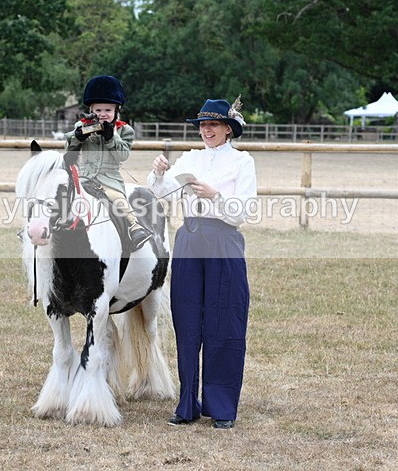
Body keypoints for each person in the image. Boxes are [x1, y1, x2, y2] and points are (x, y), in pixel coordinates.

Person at [147, 97, 257, 430]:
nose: (206, 130)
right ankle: (187, 404)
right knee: (188, 319)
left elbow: (247, 211)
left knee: (224, 321)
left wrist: (216, 197)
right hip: (190, 239)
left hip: (223, 239)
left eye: (212, 125)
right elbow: (162, 194)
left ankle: (221, 407)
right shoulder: (191, 159)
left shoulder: (241, 162)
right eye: (202, 125)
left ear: (228, 128)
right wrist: (158, 173)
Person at [64, 75, 152, 251]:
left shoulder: (125, 130)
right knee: (61, 196)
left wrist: (111, 137)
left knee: (119, 200)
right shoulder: (81, 125)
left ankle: (134, 227)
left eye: (108, 110)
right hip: (83, 177)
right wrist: (78, 136)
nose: (103, 114)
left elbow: (122, 155)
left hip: (109, 179)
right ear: (90, 109)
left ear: (116, 111)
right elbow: (68, 149)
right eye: (98, 110)